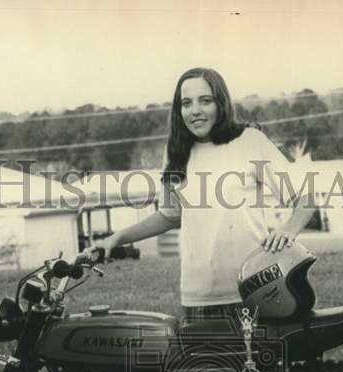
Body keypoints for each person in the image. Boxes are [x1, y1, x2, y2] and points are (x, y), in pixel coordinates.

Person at [88, 67, 318, 323]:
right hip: (199, 296)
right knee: (203, 364)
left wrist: (288, 229)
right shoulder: (175, 151)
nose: (195, 110)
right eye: (186, 103)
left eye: (205, 100)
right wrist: (117, 238)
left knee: (256, 363)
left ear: (221, 103)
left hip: (254, 290)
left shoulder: (251, 141)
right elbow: (169, 216)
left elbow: (306, 198)